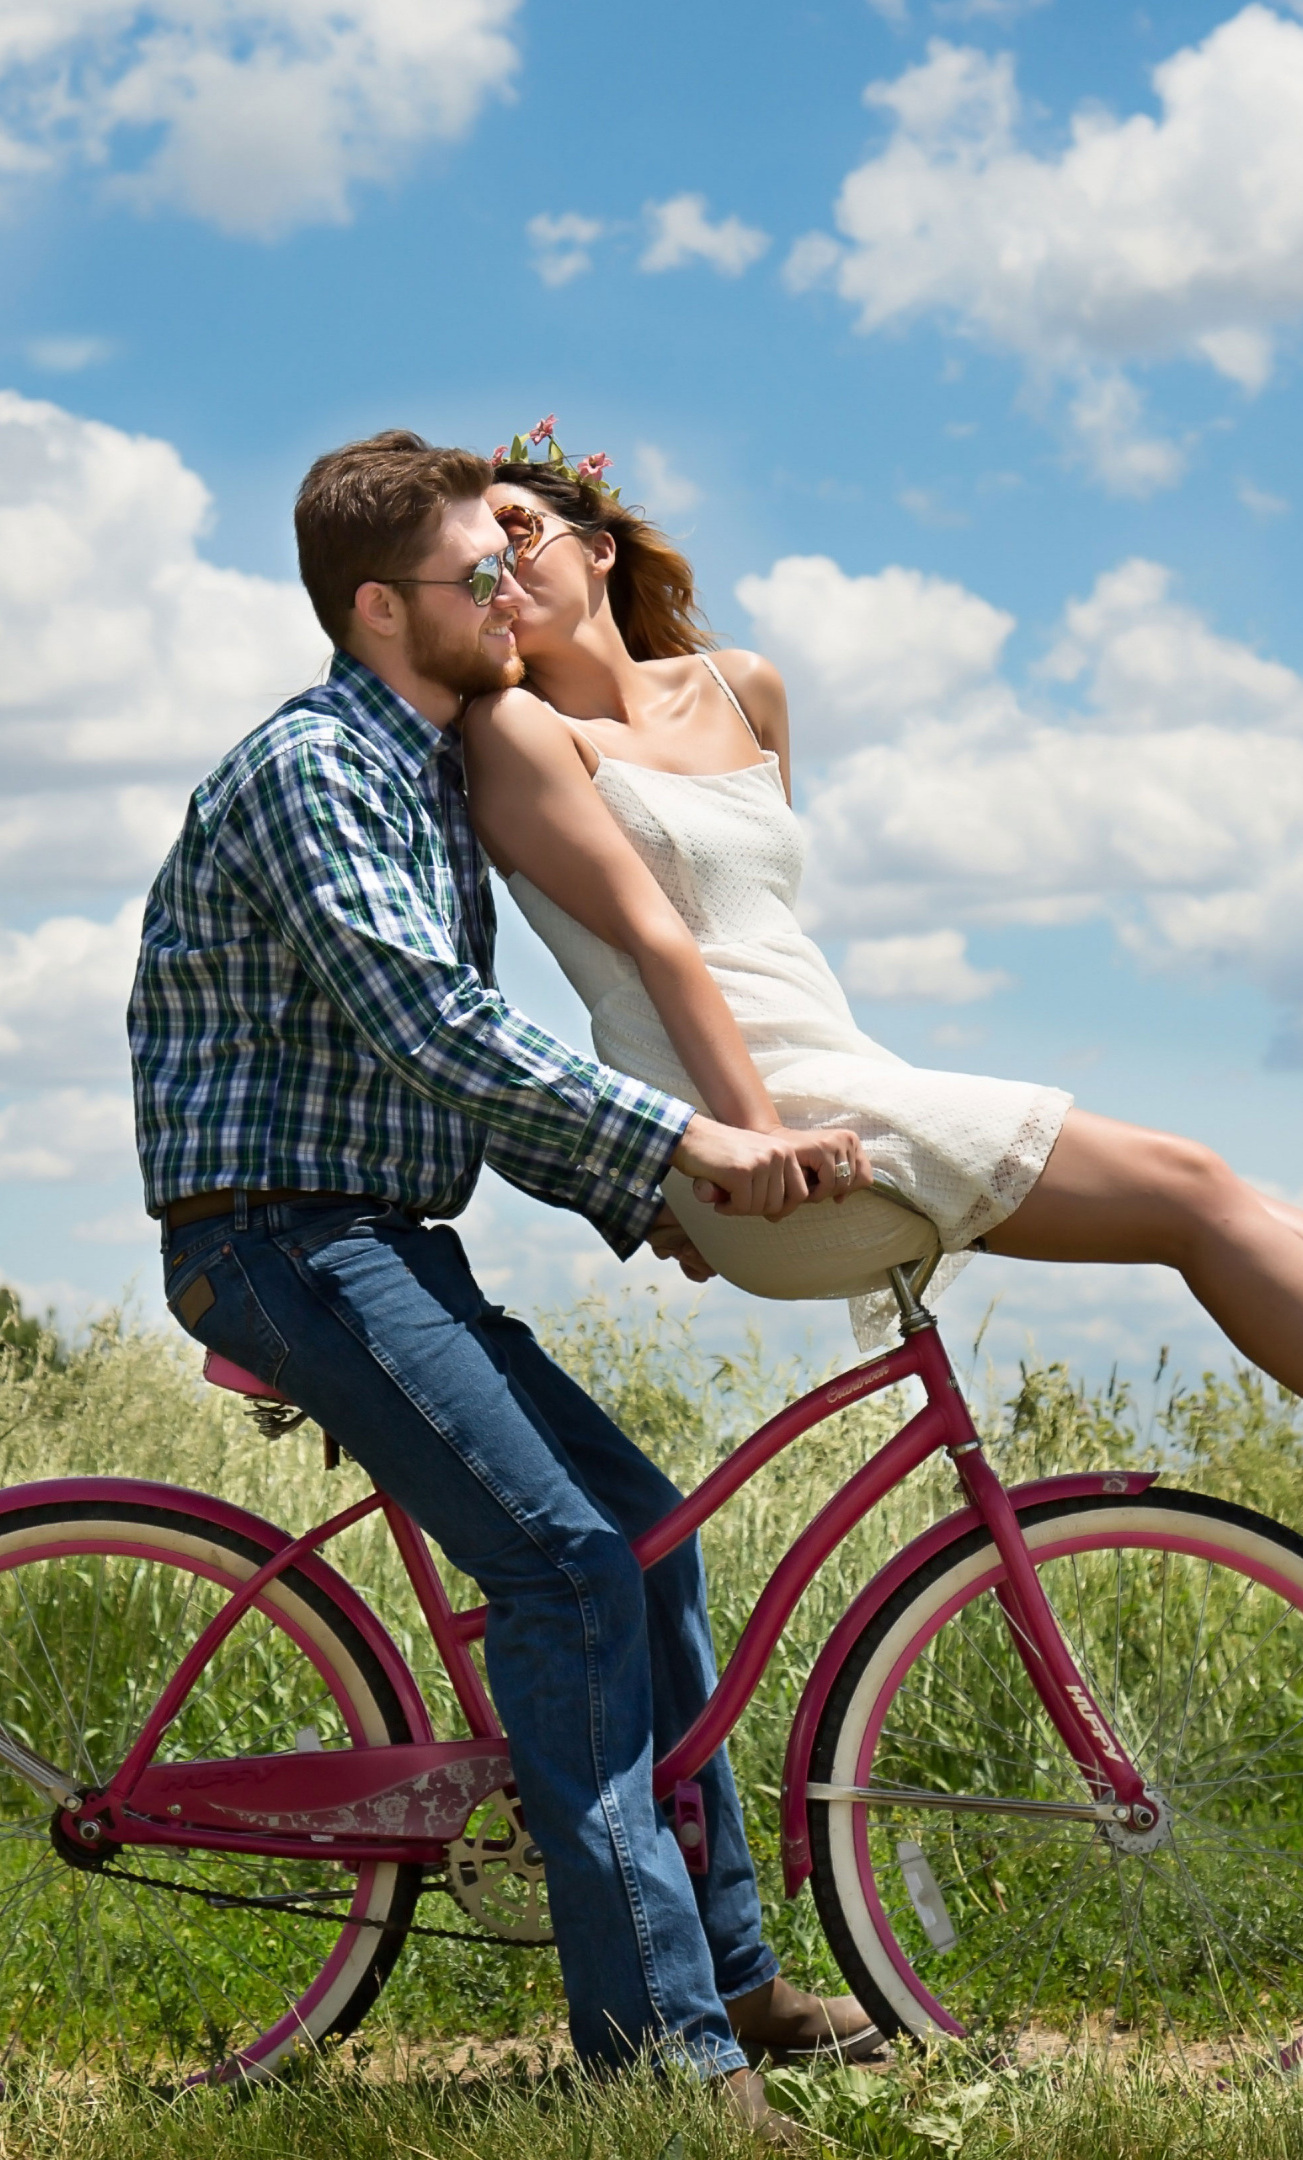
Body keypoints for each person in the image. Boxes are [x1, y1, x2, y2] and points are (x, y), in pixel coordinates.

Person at [457, 420, 1303, 1571]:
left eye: (519, 532)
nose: (499, 570)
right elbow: (663, 952)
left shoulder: (746, 690)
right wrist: (729, 1144)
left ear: (599, 544)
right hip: (758, 1118)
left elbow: (764, 934)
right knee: (1195, 1193)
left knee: (1216, 1198)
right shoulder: (522, 736)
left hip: (831, 1073)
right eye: (471, 562)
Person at [127, 430, 878, 2133]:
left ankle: (736, 1981)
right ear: (385, 607)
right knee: (568, 1570)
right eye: (484, 574)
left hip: (382, 1233)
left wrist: (647, 1196)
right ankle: (660, 2059)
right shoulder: (320, 769)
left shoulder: (427, 773)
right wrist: (692, 1142)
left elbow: (445, 1081)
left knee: (649, 1537)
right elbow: (434, 1028)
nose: (512, 598)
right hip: (279, 1237)